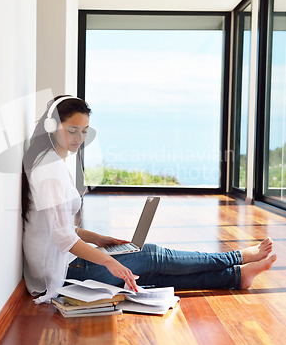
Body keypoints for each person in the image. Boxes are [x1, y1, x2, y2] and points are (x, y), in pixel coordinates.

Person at [22, 95, 276, 304]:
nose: (79, 138)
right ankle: (237, 258)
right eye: (72, 130)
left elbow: (61, 227)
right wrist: (111, 262)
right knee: (152, 256)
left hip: (63, 263)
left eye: (85, 131)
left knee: (147, 271)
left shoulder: (53, 161)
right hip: (61, 272)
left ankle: (236, 277)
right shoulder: (50, 171)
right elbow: (63, 237)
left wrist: (100, 240)